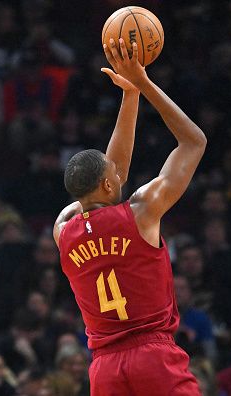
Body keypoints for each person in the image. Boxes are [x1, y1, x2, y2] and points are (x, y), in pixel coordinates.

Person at [53, 38, 206, 395]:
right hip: (154, 357)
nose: (120, 173)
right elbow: (193, 142)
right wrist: (145, 83)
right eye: (114, 175)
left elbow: (111, 173)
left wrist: (129, 95)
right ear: (108, 184)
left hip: (104, 369)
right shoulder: (142, 212)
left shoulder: (63, 229)